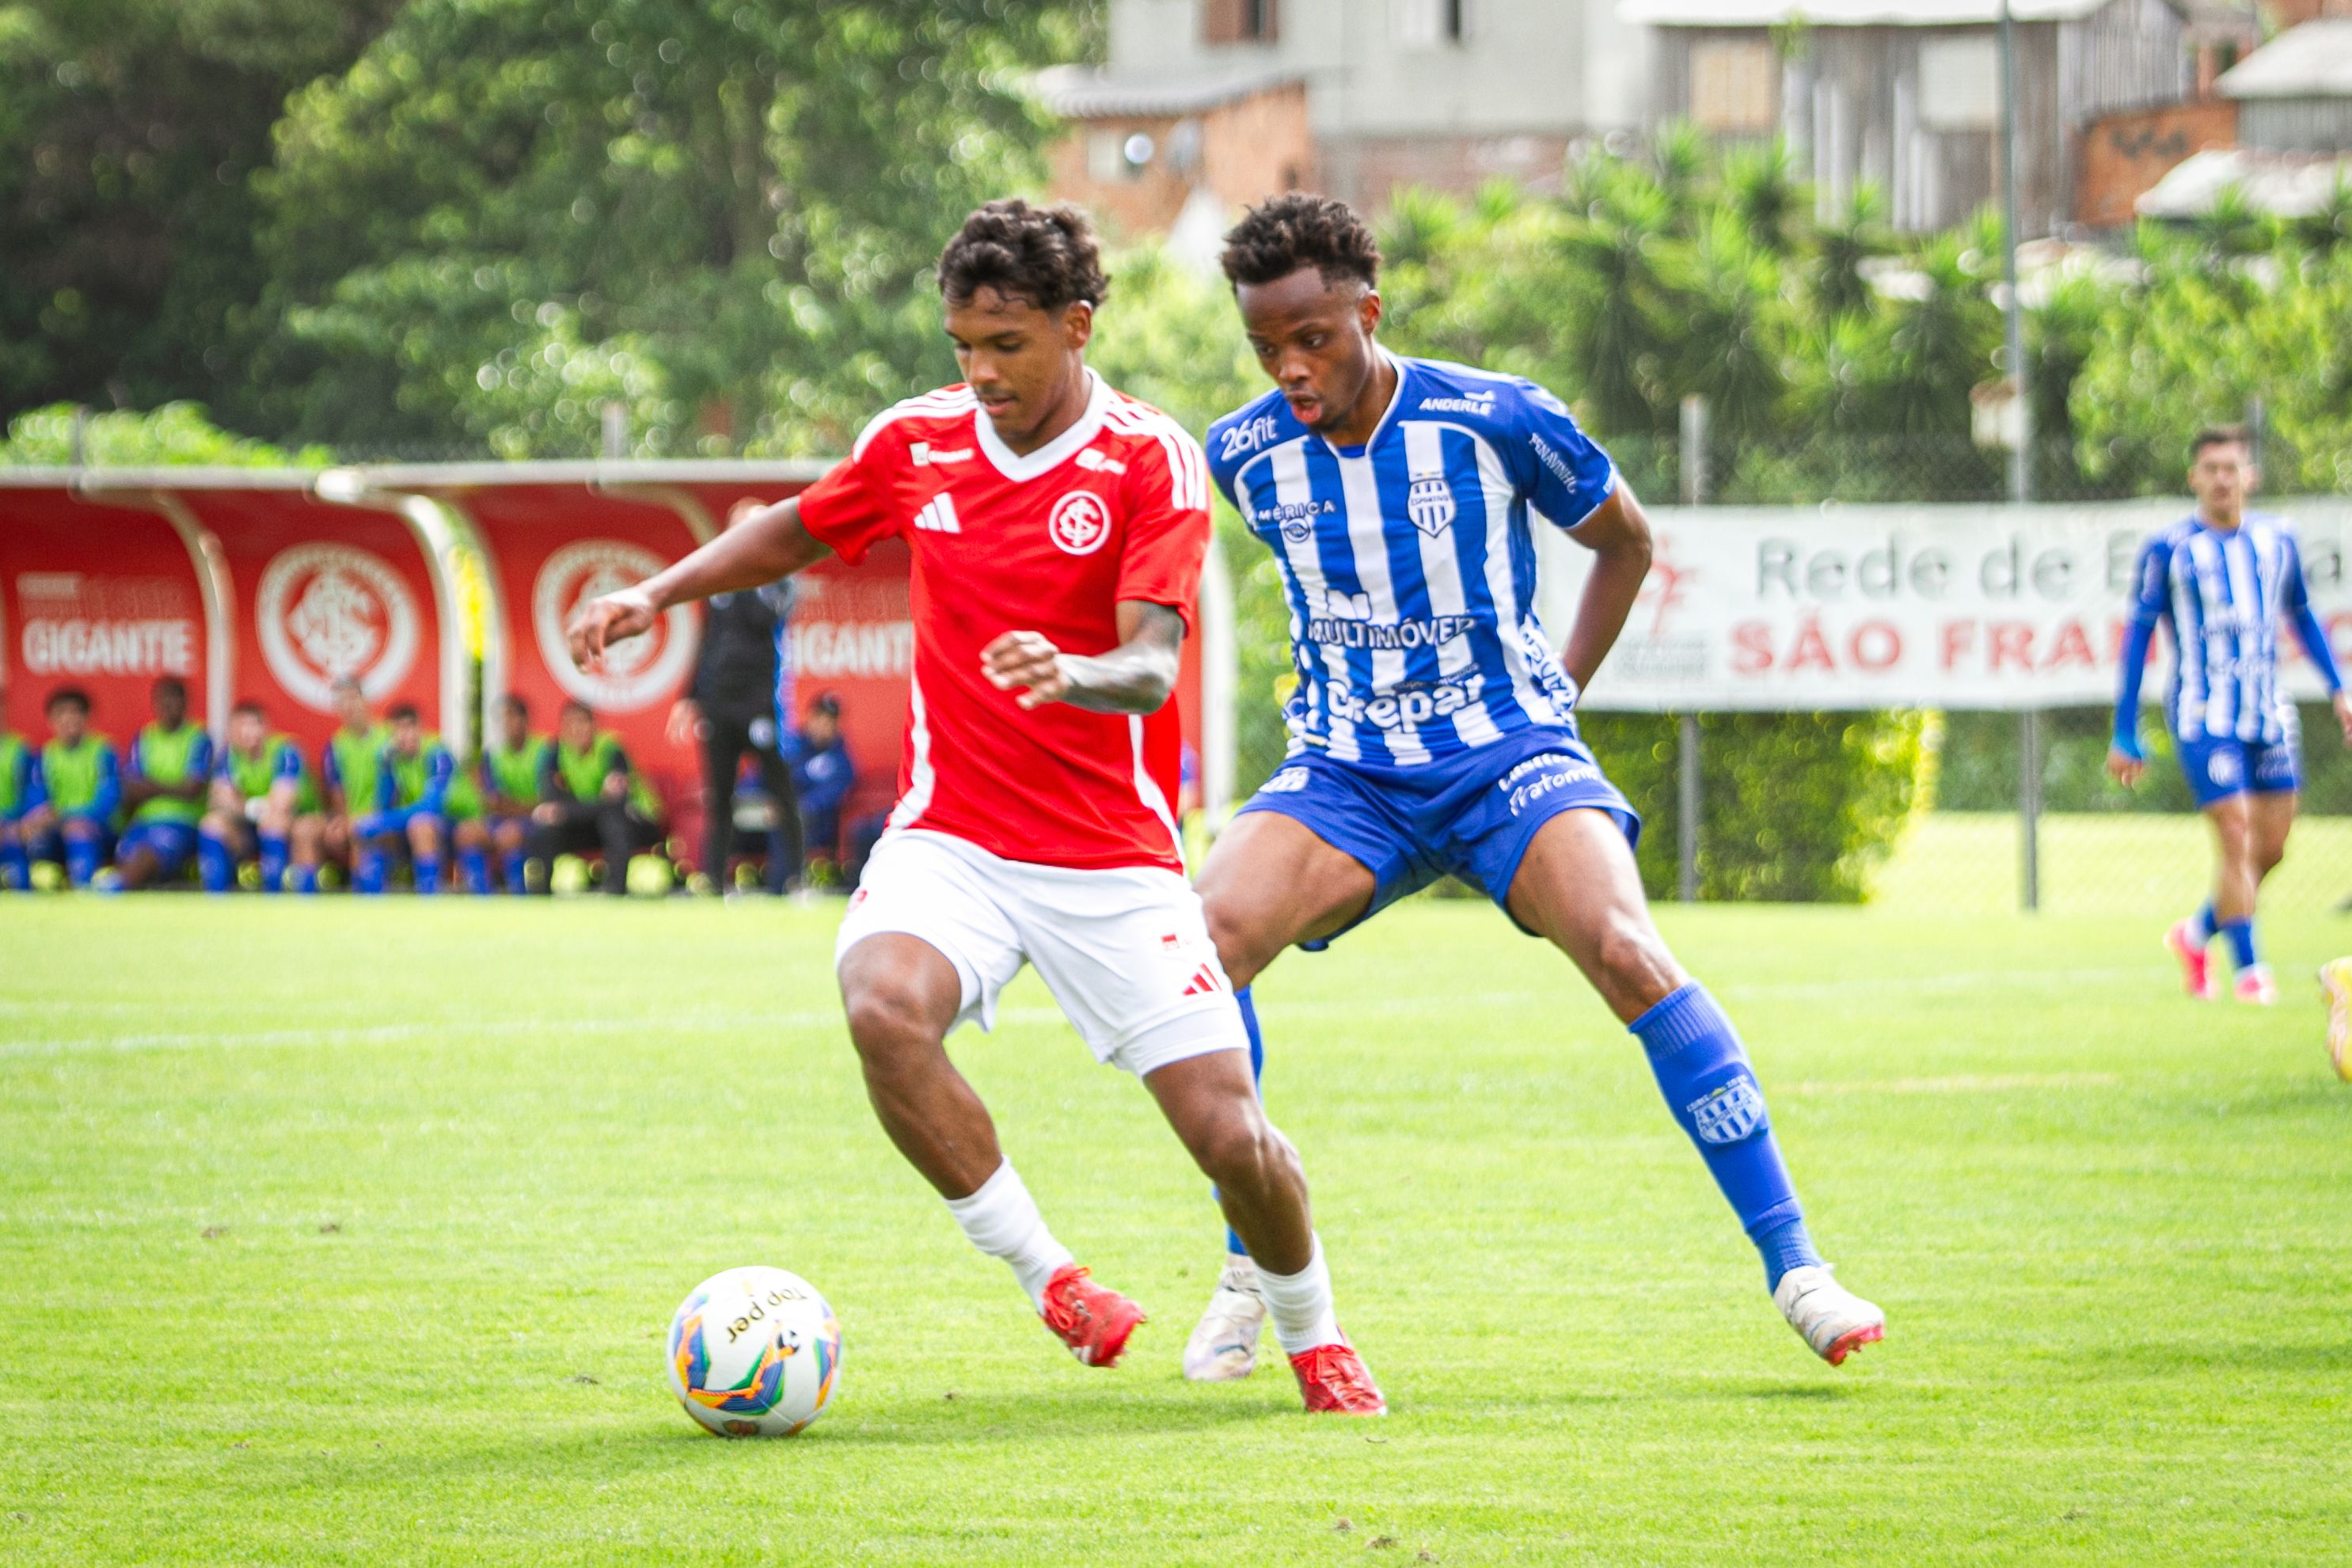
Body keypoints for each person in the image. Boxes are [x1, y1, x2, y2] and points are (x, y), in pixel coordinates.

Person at [564, 199, 1385, 1414]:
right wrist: (660, 592)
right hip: (953, 836)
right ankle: (1050, 1277)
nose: (981, 373)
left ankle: (1314, 1332)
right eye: (963, 347)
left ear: (1076, 325)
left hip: (1110, 860)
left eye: (1007, 346)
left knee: (1231, 1138)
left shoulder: (1147, 458)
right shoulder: (918, 443)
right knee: (881, 1004)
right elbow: (797, 528)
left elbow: (1152, 661)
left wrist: (1076, 674)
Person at [1176, 194, 1884, 1384]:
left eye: (1314, 338)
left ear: (1368, 310)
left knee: (1622, 947)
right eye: (1266, 347)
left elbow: (1625, 541)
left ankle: (1795, 1264)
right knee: (1201, 949)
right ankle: (1254, 1251)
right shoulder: (1241, 454)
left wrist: (1555, 688)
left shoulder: (1494, 418)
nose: (1291, 369)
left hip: (1505, 748)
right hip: (1348, 766)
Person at [2108, 426, 2352, 1005]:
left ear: (2250, 476)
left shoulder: (2276, 542)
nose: (2221, 478)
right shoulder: (2169, 550)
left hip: (2268, 712)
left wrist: (2339, 688)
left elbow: (2301, 615)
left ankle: (2194, 934)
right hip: (2201, 713)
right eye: (2209, 468)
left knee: (2271, 847)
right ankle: (2250, 973)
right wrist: (2125, 729)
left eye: (2230, 467)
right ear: (2193, 477)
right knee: (2237, 835)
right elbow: (2137, 636)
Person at [671, 553, 801, 896]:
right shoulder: (718, 580)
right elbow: (707, 643)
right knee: (720, 796)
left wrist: (749, 573)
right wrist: (691, 697)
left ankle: (796, 879)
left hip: (759, 704)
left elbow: (765, 617)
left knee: (781, 792)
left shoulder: (779, 576)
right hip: (719, 706)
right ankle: (714, 881)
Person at [527, 700, 660, 894]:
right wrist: (575, 809)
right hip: (588, 824)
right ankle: (541, 894)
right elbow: (552, 800)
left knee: (613, 823)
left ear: (594, 725)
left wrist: (567, 810)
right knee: (548, 829)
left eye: (582, 722)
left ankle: (616, 891)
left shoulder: (611, 750)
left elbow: (616, 803)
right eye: (569, 724)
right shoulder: (555, 754)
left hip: (636, 820)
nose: (576, 730)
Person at [198, 700, 324, 894]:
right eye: (241, 726)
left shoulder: (285, 751)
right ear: (231, 731)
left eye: (253, 725)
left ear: (265, 728)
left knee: (276, 823)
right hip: (250, 826)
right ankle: (217, 898)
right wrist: (250, 808)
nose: (247, 732)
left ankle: (279, 897)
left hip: (296, 821)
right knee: (212, 823)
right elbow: (218, 800)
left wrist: (241, 803)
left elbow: (282, 804)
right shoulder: (228, 756)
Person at [116, 676, 216, 890]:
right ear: (154, 703)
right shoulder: (144, 738)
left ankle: (114, 888)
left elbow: (192, 789)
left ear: (185, 703)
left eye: (174, 699)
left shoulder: (198, 738)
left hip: (182, 820)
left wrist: (150, 787)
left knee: (151, 856)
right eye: (163, 700)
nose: (168, 705)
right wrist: (172, 787)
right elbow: (131, 788)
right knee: (129, 855)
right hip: (143, 820)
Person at [20, 686, 120, 890]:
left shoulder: (104, 751)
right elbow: (37, 800)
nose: (69, 719)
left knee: (78, 832)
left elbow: (109, 801)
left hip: (99, 830)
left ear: (87, 717)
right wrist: (41, 817)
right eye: (62, 713)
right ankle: (33, 885)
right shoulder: (45, 757)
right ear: (51, 720)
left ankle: (84, 887)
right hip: (58, 829)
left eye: (75, 712)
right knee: (27, 833)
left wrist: (70, 817)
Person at [455, 694, 553, 894]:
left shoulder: (545, 751)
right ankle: (482, 896)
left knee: (509, 834)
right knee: (466, 832)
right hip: (503, 820)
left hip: (535, 821)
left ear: (525, 720)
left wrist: (513, 807)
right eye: (501, 719)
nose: (506, 724)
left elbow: (548, 799)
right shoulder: (493, 755)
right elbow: (492, 801)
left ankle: (518, 895)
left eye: (511, 717)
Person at [365, 704, 455, 894]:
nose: (404, 736)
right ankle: (370, 900)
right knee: (372, 831)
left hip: (458, 821)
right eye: (398, 730)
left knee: (419, 826)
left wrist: (381, 821)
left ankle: (430, 898)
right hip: (422, 821)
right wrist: (385, 769)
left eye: (409, 728)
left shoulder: (438, 754)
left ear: (420, 728)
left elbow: (433, 806)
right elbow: (383, 805)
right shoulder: (392, 759)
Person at [319, 678, 391, 893]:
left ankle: (369, 897)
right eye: (341, 701)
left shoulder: (389, 739)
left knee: (365, 829)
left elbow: (395, 789)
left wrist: (366, 818)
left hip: (388, 815)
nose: (348, 706)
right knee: (321, 831)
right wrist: (343, 821)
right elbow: (337, 794)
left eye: (352, 699)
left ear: (365, 700)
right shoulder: (335, 747)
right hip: (355, 818)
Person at [788, 693, 857, 879]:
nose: (822, 726)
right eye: (818, 718)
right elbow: (763, 776)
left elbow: (835, 791)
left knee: (792, 821)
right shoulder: (792, 746)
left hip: (817, 825)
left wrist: (800, 807)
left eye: (829, 721)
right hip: (774, 816)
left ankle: (786, 886)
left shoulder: (840, 757)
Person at [0, 681, 36, 890]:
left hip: (12, 823)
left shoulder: (20, 749)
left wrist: (13, 822)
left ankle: (22, 892)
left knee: (15, 838)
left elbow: (31, 794)